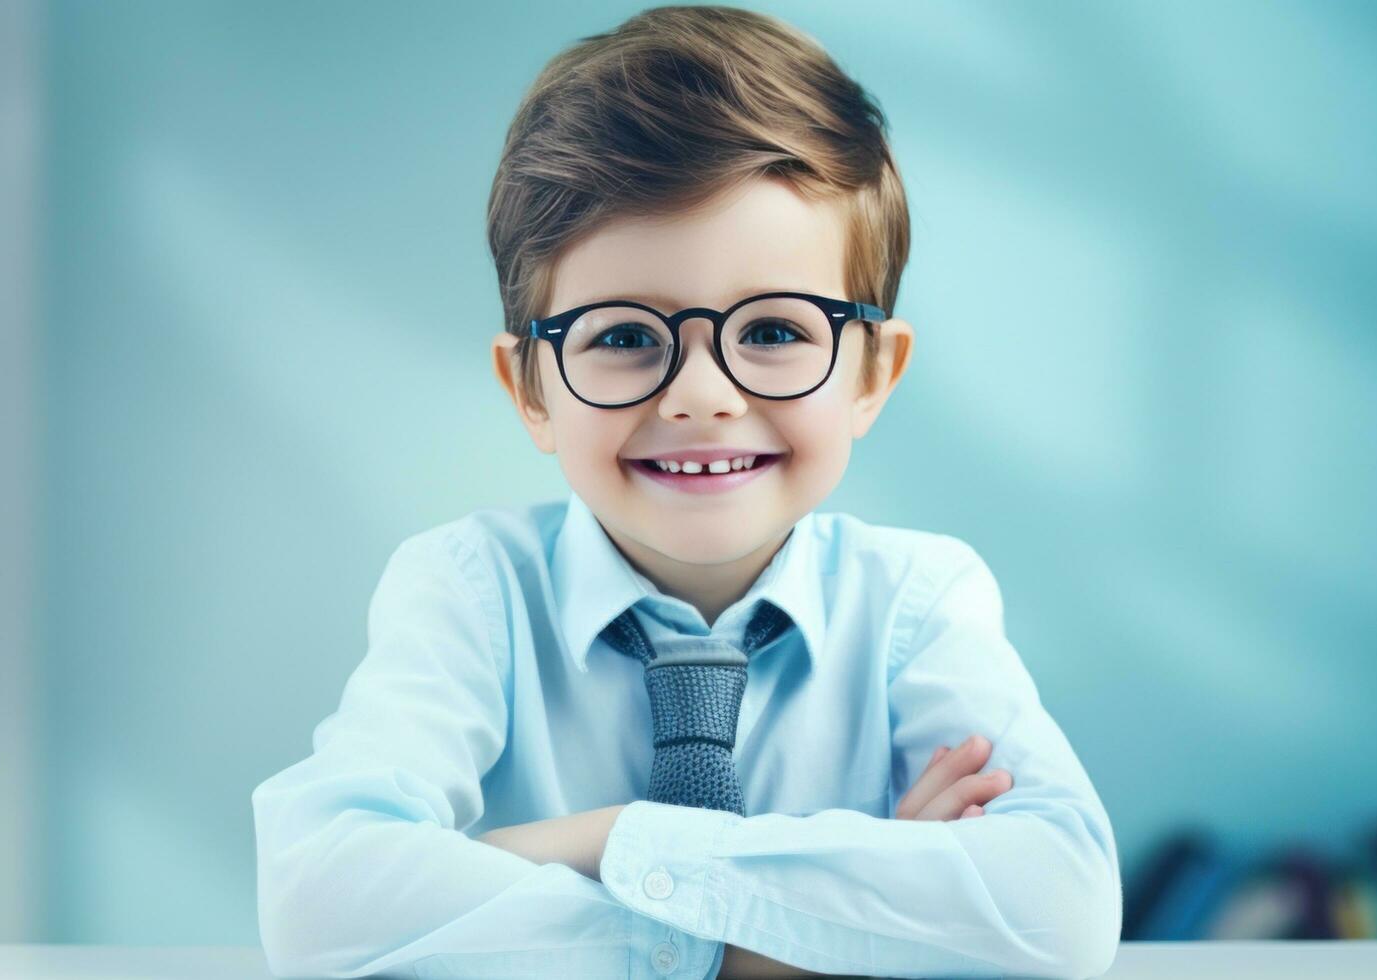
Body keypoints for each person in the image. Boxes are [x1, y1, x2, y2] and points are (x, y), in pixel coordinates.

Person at [252, 6, 1121, 977]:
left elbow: (1060, 909)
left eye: (775, 331)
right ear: (530, 389)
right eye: (623, 336)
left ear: (872, 371)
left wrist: (570, 855)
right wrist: (801, 930)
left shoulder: (917, 602)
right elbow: (319, 905)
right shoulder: (466, 591)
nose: (701, 394)